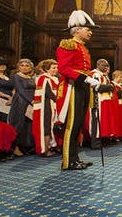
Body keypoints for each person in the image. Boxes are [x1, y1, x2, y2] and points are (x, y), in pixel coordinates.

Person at [55, 10, 100, 170]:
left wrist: (89, 79)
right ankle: (68, 161)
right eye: (87, 29)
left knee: (78, 125)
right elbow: (63, 68)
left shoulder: (82, 47)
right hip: (72, 89)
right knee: (71, 126)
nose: (90, 32)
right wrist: (85, 78)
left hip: (81, 88)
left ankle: (75, 158)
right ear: (77, 29)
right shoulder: (68, 44)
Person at [32, 59, 59, 157]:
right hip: (46, 106)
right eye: (53, 68)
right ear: (47, 69)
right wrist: (60, 102)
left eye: (56, 68)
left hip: (53, 105)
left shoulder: (54, 78)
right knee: (46, 127)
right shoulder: (43, 78)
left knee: (51, 127)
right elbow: (49, 93)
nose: (56, 70)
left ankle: (51, 147)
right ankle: (45, 150)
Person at [8, 58, 36, 154]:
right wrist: (31, 100)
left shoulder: (32, 78)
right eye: (22, 65)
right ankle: (13, 148)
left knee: (28, 126)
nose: (24, 67)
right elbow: (20, 90)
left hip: (31, 103)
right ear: (18, 67)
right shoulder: (16, 76)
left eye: (27, 65)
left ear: (31, 68)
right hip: (20, 102)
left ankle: (25, 146)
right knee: (17, 124)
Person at [0, 57, 13, 122]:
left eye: (4, 64)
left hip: (9, 101)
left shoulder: (8, 77)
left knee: (6, 121)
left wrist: (12, 97)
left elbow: (13, 88)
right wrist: (7, 96)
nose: (2, 66)